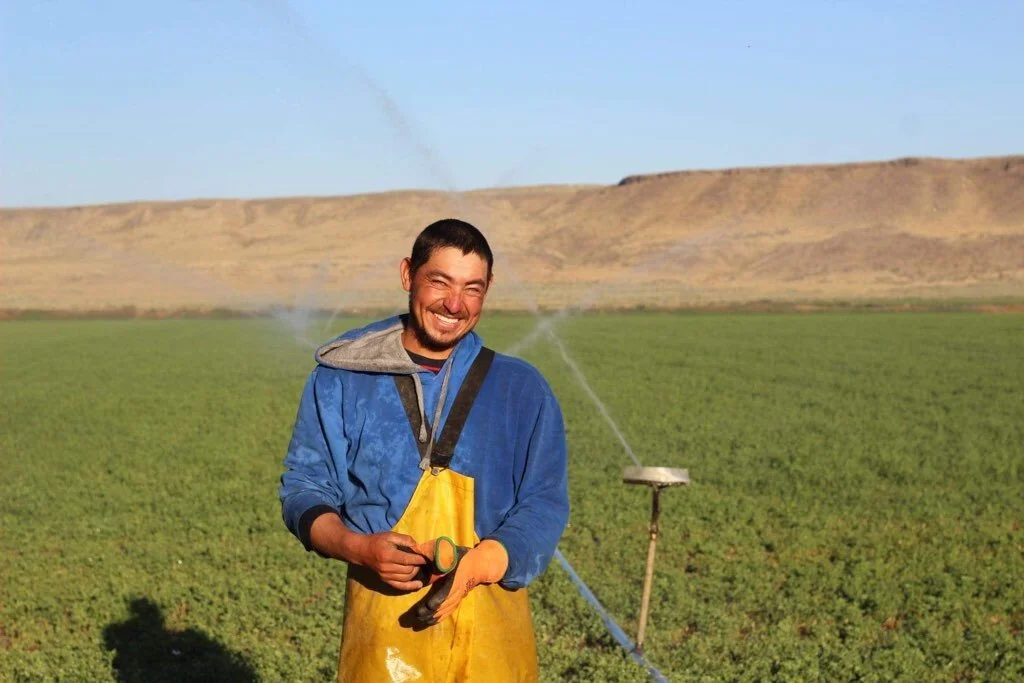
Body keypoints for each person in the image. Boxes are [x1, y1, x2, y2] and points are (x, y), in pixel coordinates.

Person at [279, 218, 570, 681]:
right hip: (382, 628)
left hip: (492, 626)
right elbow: (303, 490)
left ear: (488, 289)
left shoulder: (523, 389)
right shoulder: (341, 378)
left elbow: (545, 502)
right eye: (440, 282)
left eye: (472, 288)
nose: (455, 304)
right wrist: (357, 546)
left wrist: (480, 565)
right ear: (407, 275)